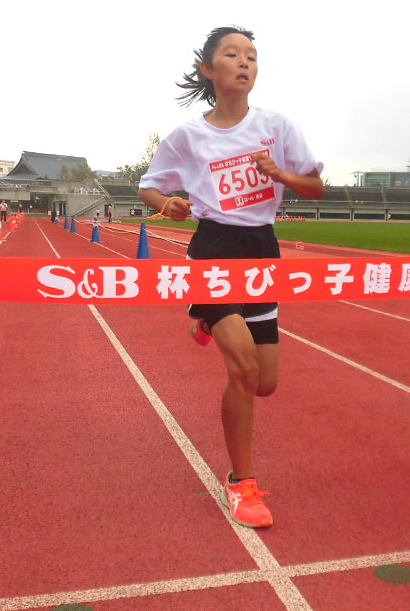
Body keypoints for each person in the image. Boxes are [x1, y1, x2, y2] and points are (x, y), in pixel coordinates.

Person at [139, 26, 324, 528]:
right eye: (233, 54)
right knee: (242, 371)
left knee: (265, 383)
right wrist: (168, 205)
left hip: (262, 251)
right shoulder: (188, 136)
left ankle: (204, 322)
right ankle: (241, 482)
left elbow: (315, 187)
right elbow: (149, 187)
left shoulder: (276, 126)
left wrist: (281, 175)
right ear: (208, 69)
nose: (245, 62)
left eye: (252, 56)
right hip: (213, 250)